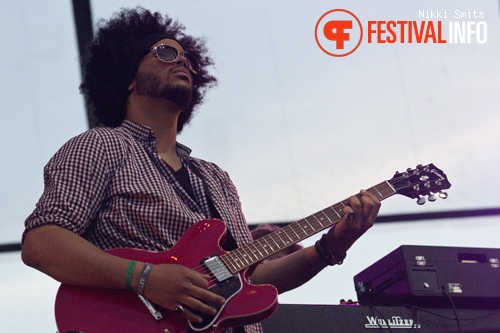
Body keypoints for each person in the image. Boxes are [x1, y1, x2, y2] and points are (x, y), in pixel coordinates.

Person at [21, 7, 381, 333]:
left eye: (188, 59)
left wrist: (330, 247)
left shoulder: (216, 179)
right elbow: (42, 242)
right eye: (165, 52)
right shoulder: (102, 145)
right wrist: (146, 277)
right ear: (129, 78)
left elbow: (248, 277)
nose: (182, 62)